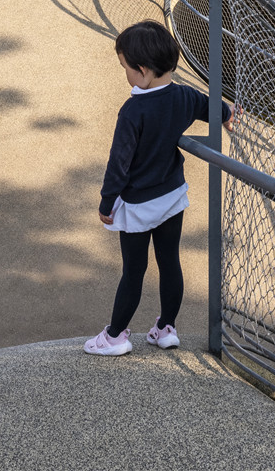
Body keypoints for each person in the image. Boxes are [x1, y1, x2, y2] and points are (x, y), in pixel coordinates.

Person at [85, 21, 236, 356]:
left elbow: (119, 163)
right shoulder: (183, 95)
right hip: (172, 197)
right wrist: (227, 113)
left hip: (139, 204)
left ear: (142, 71)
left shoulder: (133, 111)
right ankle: (166, 328)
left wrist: (107, 203)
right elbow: (208, 105)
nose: (125, 74)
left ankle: (114, 337)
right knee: (169, 263)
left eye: (125, 67)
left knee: (134, 271)